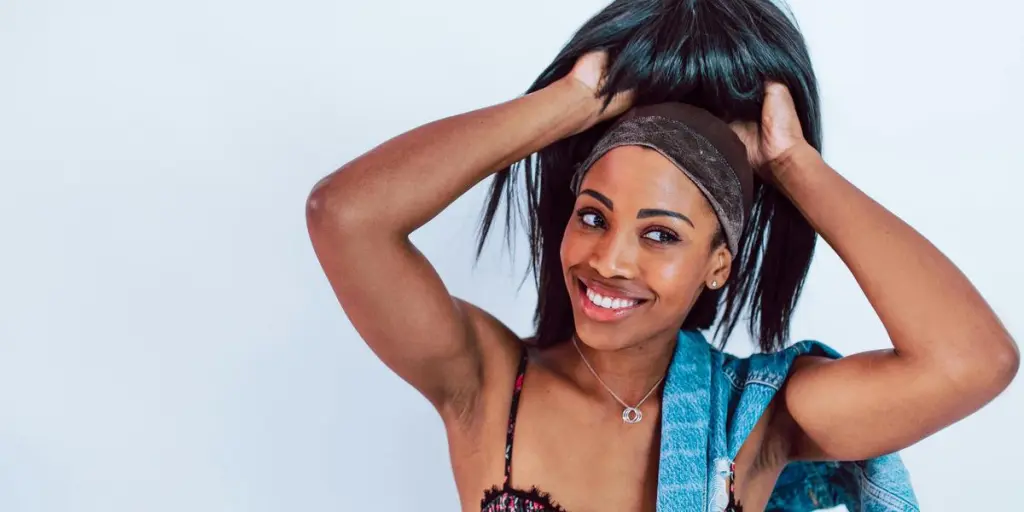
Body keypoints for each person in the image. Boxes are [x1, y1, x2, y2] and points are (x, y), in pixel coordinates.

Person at [306, 9, 1019, 512]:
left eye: (661, 234)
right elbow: (345, 217)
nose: (609, 260)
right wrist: (567, 106)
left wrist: (794, 166)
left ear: (720, 264)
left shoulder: (761, 419)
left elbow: (972, 362)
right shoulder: (489, 387)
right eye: (593, 216)